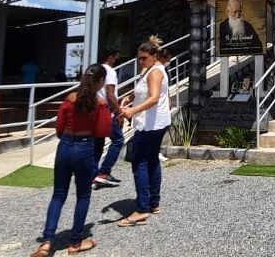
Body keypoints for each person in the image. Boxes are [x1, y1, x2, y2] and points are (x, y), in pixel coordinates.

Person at [31, 65, 113, 257]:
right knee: (83, 195)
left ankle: (46, 241)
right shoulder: (99, 102)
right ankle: (75, 241)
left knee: (58, 194)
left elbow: (59, 126)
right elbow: (103, 131)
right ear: (100, 81)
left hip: (66, 145)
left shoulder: (69, 99)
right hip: (84, 147)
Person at [117, 36, 172, 226]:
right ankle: (153, 202)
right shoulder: (150, 70)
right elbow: (143, 91)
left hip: (150, 123)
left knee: (139, 161)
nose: (140, 61)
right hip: (154, 122)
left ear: (154, 56)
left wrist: (132, 110)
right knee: (151, 160)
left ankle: (142, 208)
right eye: (139, 58)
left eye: (143, 58)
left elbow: (154, 97)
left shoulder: (155, 72)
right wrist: (130, 97)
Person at [93, 48, 124, 188]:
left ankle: (93, 174)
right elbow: (110, 94)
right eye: (115, 58)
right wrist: (119, 112)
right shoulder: (110, 71)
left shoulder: (95, 69)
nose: (116, 60)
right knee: (118, 140)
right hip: (106, 109)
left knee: (98, 142)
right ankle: (104, 172)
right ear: (110, 58)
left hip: (93, 108)